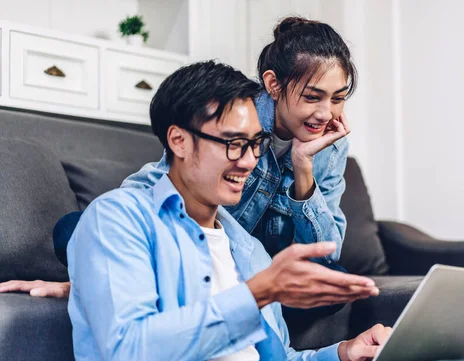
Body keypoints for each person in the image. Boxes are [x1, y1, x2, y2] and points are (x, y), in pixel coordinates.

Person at [67, 60, 464, 361]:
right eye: (234, 144)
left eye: (255, 145)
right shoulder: (117, 218)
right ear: (179, 141)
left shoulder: (245, 246)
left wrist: (344, 352)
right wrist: (259, 292)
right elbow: (129, 355)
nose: (249, 161)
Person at [0, 17, 354, 313]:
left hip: (259, 267)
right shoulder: (233, 112)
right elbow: (151, 187)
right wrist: (100, 262)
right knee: (77, 228)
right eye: (313, 97)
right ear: (273, 84)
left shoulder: (330, 146)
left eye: (338, 99)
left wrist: (303, 168)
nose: (326, 114)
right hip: (195, 254)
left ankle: (172, 291)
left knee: (335, 283)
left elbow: (326, 252)